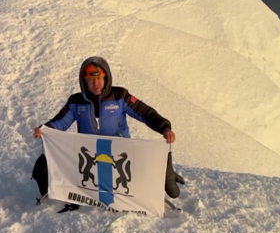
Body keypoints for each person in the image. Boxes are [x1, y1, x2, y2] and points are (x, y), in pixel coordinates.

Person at [32, 56, 183, 211]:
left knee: (146, 164)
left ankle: (166, 174)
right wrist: (45, 129)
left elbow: (145, 113)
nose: (95, 83)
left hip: (120, 154)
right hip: (91, 154)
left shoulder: (120, 96)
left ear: (106, 78)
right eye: (90, 79)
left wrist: (164, 127)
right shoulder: (76, 101)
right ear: (84, 81)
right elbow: (60, 122)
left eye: (99, 78)